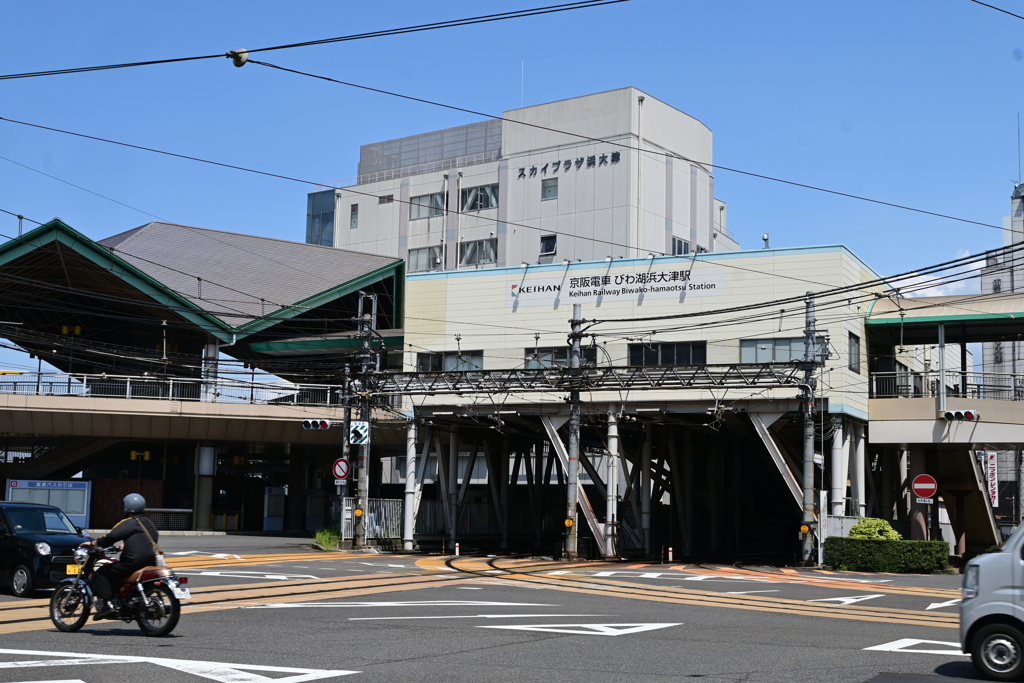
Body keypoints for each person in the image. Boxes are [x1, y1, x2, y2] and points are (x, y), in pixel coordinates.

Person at [79, 493, 158, 619]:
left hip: (132, 562)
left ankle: (108, 605)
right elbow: (147, 539)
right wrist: (125, 545)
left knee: (102, 572)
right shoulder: (148, 522)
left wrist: (93, 543)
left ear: (126, 507)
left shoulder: (129, 522)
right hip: (149, 562)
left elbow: (111, 537)